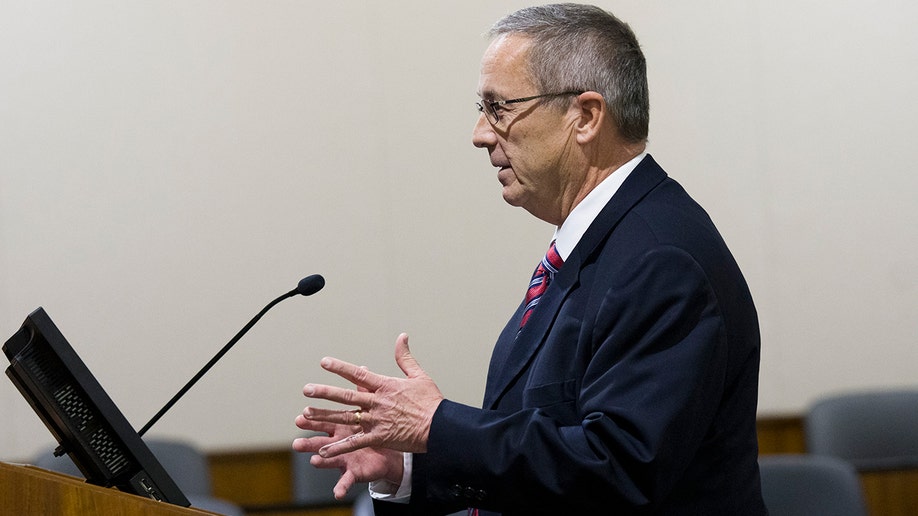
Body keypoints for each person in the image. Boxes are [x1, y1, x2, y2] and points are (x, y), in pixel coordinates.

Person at [293, 4, 766, 515]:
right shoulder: (600, 246)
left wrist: (439, 426)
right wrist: (411, 467)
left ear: (584, 116)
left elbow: (620, 469)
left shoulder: (659, 260)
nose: (480, 132)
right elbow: (552, 450)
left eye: (499, 108)